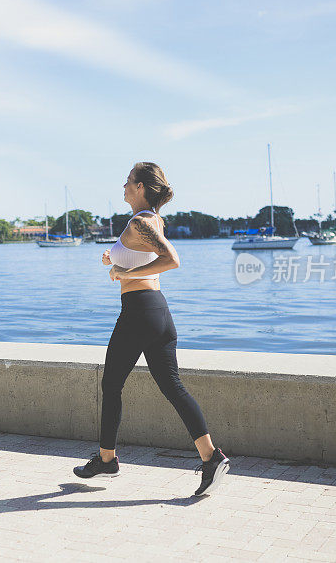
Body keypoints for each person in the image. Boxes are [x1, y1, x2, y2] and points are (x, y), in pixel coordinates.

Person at [73, 162, 230, 496]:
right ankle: (211, 457)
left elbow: (171, 259)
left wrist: (123, 274)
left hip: (139, 313)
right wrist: (115, 263)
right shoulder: (150, 221)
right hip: (156, 313)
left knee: (112, 384)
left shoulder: (141, 221)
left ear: (141, 187)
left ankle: (107, 459)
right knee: (172, 387)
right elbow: (142, 259)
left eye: (129, 181)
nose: (124, 186)